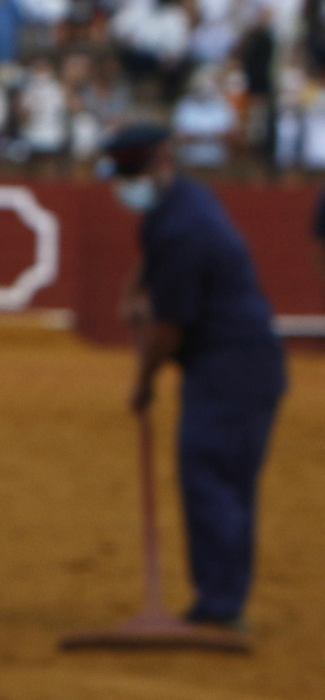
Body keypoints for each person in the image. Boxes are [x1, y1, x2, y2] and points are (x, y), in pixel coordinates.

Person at [107, 124, 286, 629]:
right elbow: (155, 260)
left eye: (133, 174)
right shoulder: (183, 203)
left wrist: (143, 381)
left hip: (229, 371)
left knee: (212, 478)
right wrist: (136, 289)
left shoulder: (181, 225)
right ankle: (222, 598)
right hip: (238, 364)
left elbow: (169, 327)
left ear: (161, 162)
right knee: (222, 479)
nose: (127, 185)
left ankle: (221, 607)